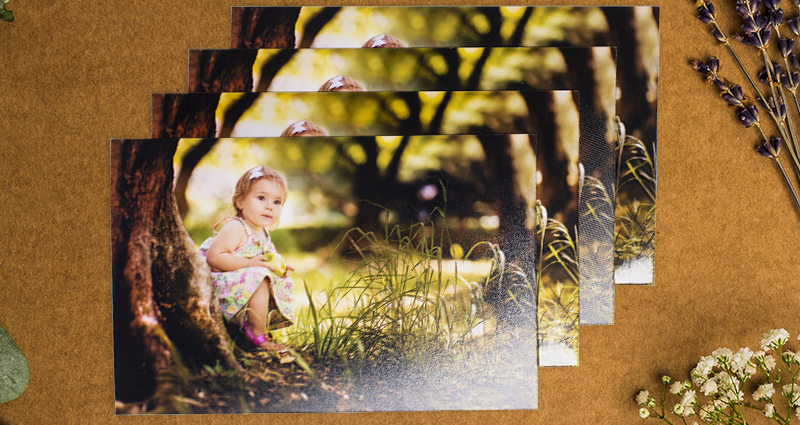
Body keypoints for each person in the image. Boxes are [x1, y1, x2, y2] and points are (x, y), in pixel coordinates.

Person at [198, 165, 294, 351]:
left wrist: (279, 267)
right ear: (240, 202)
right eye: (261, 198)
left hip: (238, 281)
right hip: (217, 282)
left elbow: (266, 259)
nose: (269, 206)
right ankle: (257, 334)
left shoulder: (263, 233)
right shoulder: (236, 228)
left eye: (277, 202)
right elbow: (214, 257)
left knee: (277, 280)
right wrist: (250, 264)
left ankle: (253, 324)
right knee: (260, 277)